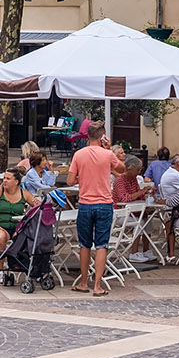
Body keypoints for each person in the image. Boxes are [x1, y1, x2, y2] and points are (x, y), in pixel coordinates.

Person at [68, 121, 126, 297]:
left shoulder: (79, 154)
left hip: (85, 204)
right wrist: (108, 150)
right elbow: (122, 169)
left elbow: (70, 181)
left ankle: (84, 282)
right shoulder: (107, 155)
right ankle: (97, 286)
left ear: (87, 135)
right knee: (101, 245)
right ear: (102, 136)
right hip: (104, 204)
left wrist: (82, 179)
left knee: (84, 245)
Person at [0, 169, 41, 283]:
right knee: (1, 236)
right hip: (0, 227)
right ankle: (0, 270)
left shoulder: (24, 193)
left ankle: (30, 268)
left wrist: (38, 204)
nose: (4, 181)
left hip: (17, 229)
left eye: (8, 178)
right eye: (4, 178)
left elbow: (38, 208)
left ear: (16, 181)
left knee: (34, 236)